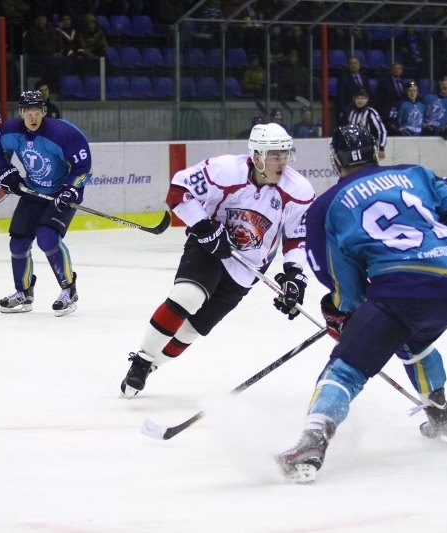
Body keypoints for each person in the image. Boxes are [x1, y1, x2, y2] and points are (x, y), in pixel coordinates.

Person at [276, 124, 447, 483]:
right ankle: (440, 413)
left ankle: (312, 442)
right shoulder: (415, 173)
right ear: (376, 152)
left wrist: (344, 310)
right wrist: (434, 247)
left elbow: (338, 276)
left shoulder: (326, 206)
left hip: (402, 290)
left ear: (335, 161)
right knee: (414, 341)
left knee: (347, 368)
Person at [119, 123, 315, 398]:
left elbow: (297, 237)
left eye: (285, 155)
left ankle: (151, 366)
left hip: (248, 269)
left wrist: (294, 275)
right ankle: (142, 359)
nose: (282, 163)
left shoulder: (298, 190)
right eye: (275, 156)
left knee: (192, 330)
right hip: (208, 247)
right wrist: (203, 226)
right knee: (188, 296)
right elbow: (179, 191)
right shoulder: (224, 170)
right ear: (256, 156)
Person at [0, 90, 92, 316]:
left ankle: (69, 290)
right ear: (21, 113)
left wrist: (70, 189)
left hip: (61, 193)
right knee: (17, 245)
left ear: (44, 112)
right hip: (33, 191)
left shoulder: (63, 133)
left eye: (37, 112)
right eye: (28, 113)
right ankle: (23, 293)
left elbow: (83, 167)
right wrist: (6, 171)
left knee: (48, 239)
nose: (33, 117)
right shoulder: (10, 131)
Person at [345, 88, 387, 159]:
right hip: (355, 150)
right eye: (358, 98)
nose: (360, 101)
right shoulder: (352, 114)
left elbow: (382, 130)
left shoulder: (371, 112)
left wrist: (381, 147)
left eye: (362, 98)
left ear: (367, 99)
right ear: (354, 99)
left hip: (369, 149)